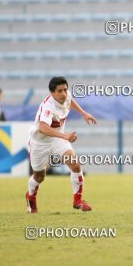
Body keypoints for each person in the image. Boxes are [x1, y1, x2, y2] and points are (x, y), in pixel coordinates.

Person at [26, 77, 97, 213]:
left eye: (65, 89)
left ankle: (78, 200)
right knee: (39, 176)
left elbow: (70, 100)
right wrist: (65, 136)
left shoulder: (66, 95)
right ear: (51, 93)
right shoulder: (48, 106)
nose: (64, 94)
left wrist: (83, 113)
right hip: (39, 143)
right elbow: (43, 127)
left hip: (57, 139)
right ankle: (31, 197)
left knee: (75, 165)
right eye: (60, 91)